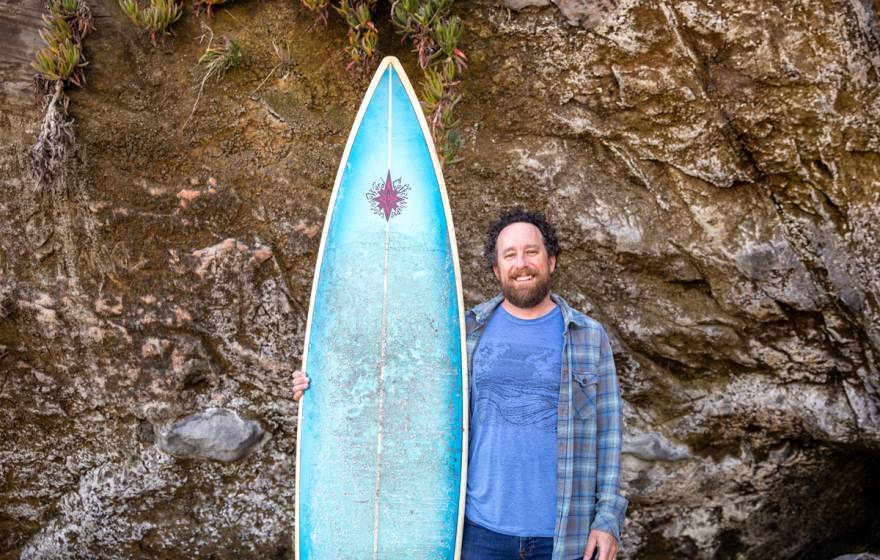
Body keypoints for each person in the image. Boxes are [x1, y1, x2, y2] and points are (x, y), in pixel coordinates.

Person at [293, 208, 627, 560]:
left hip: (564, 534)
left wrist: (607, 520)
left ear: (551, 260)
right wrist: (322, 387)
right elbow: (402, 394)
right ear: (497, 270)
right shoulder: (464, 332)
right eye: (509, 255)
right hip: (478, 533)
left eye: (532, 252)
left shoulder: (588, 337)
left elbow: (609, 435)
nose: (522, 263)